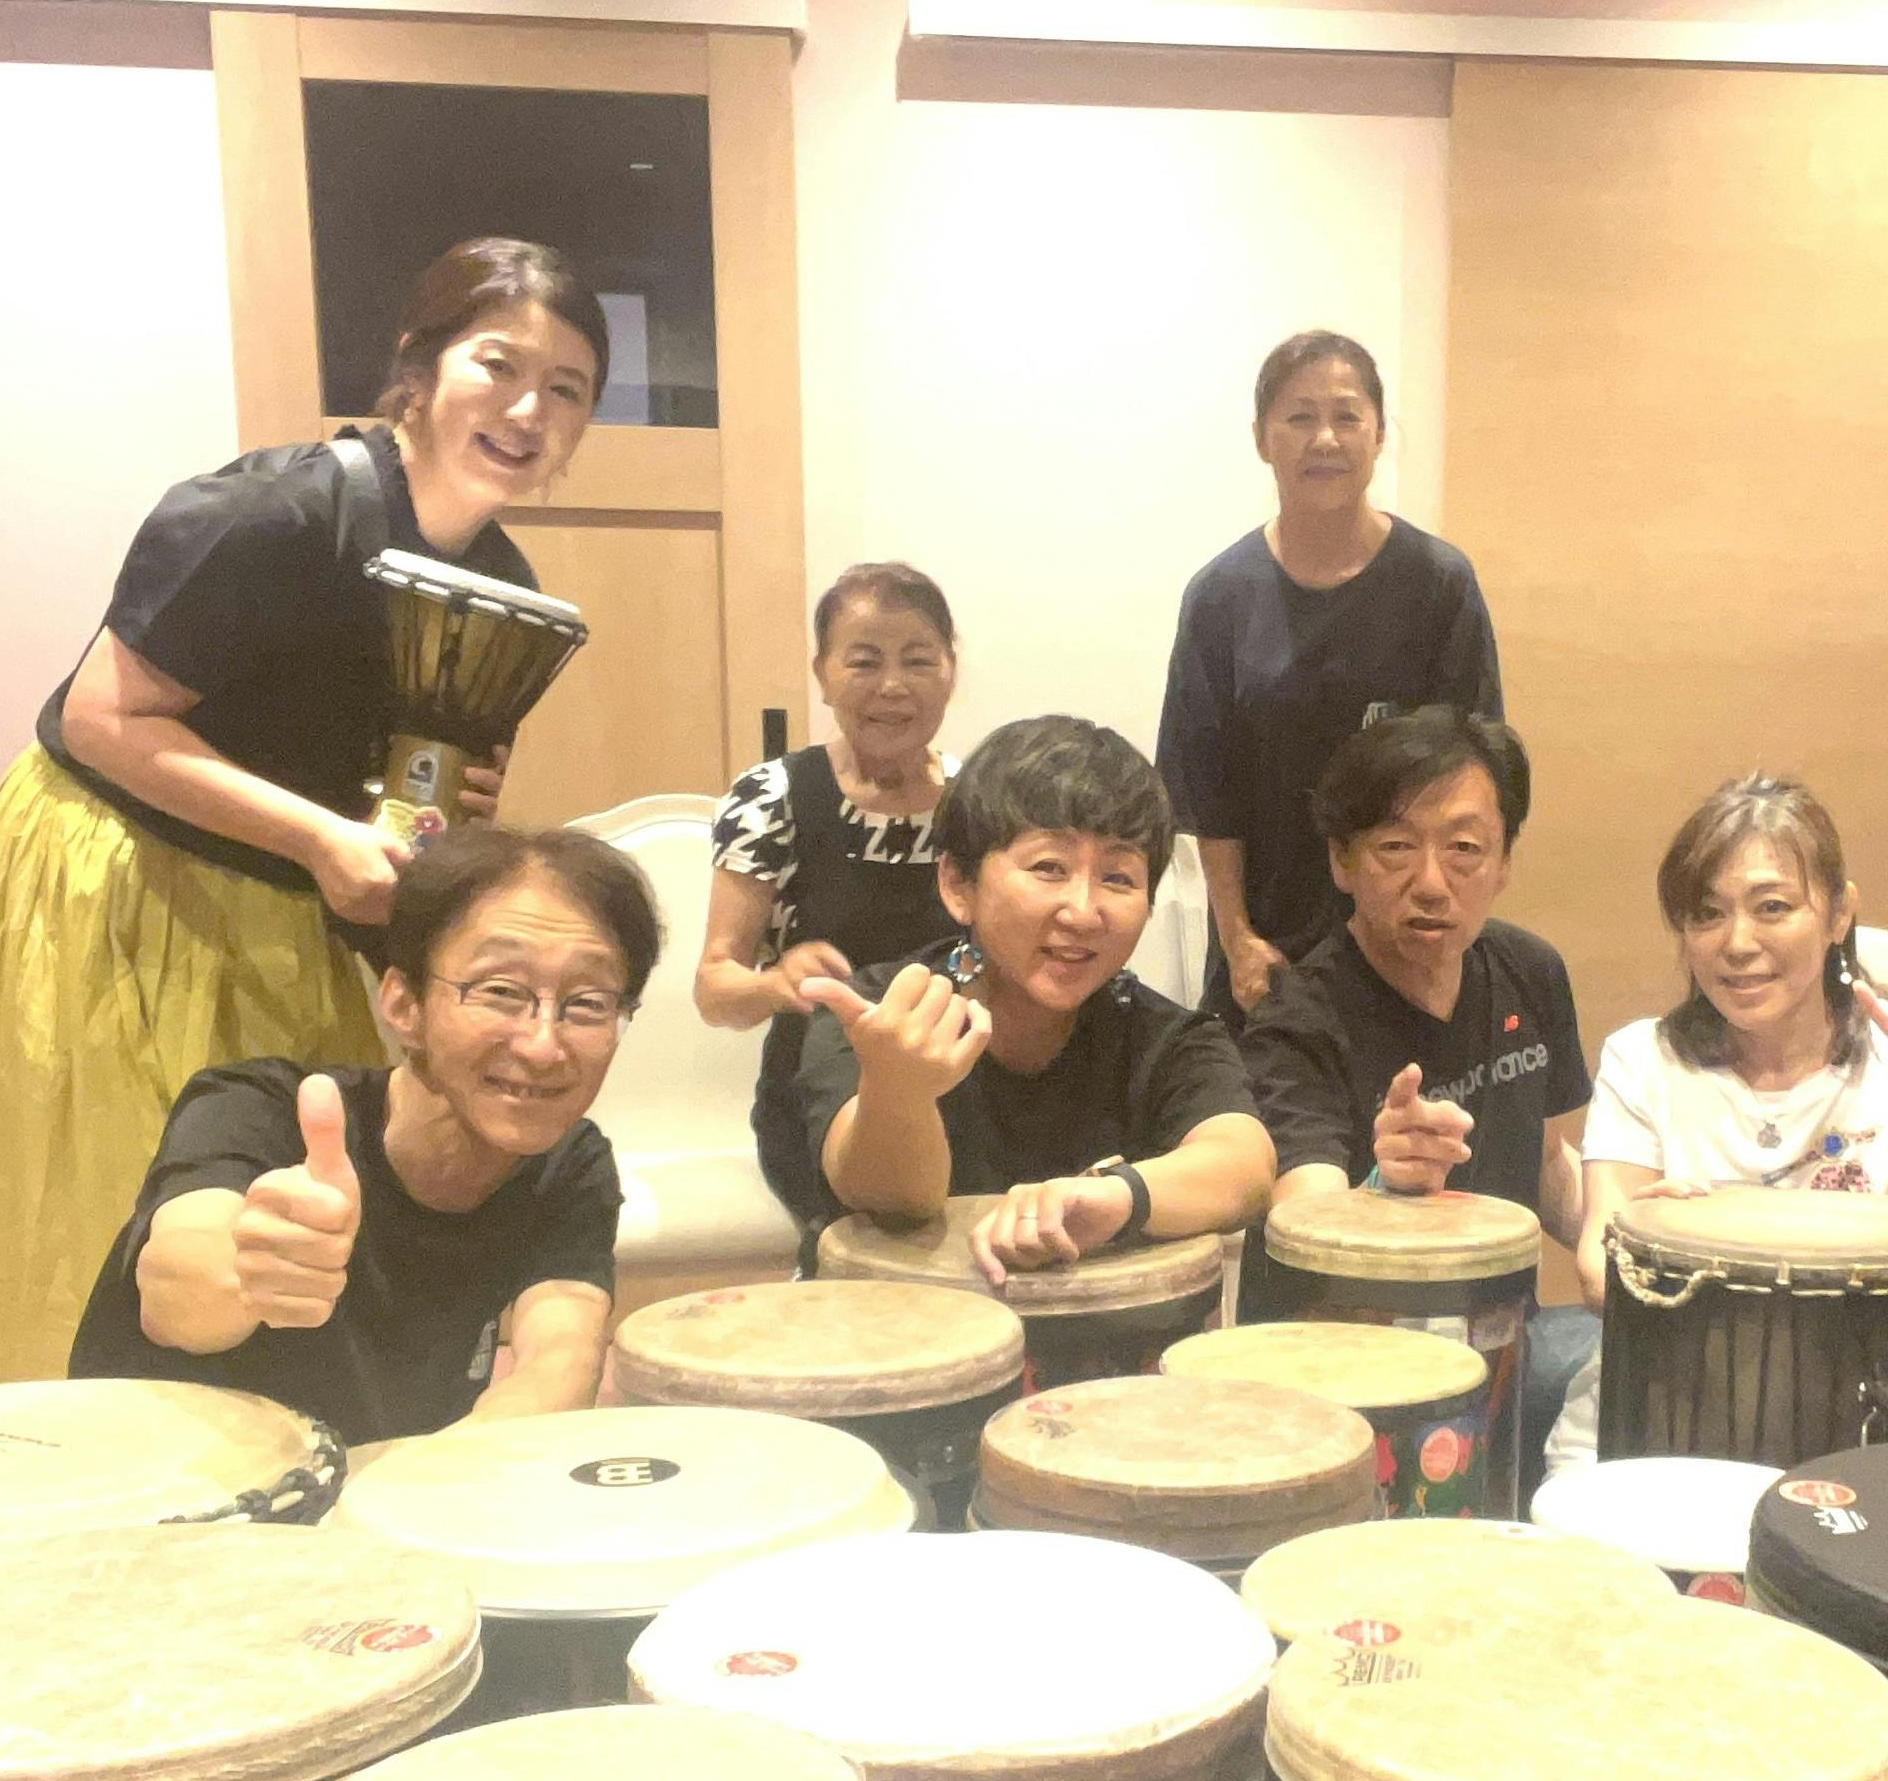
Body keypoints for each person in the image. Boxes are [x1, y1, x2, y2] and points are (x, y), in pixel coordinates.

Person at [0, 236, 606, 1389]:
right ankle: (79, 1465)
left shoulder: (505, 587)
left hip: (293, 899)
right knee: (119, 1200)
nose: (528, 410)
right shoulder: (273, 512)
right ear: (419, 367)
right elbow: (102, 717)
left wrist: (442, 814)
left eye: (568, 390)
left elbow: (407, 770)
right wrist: (320, 834)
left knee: (291, 1202)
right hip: (126, 876)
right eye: (498, 366)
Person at [68, 826, 657, 1447]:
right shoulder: (258, 1107)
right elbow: (177, 1283)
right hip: (162, 1479)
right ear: (403, 1005)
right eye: (501, 992)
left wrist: (423, 1482)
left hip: (374, 1486)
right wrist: (250, 1275)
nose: (543, 1045)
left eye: (587, 1003)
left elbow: (560, 1364)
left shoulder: (567, 1163)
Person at [1549, 777, 1888, 1468]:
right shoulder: (1643, 1058)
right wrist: (1652, 1236)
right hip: (1655, 1416)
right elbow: (1599, 1276)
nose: (1737, 942)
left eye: (1773, 907)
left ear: (1839, 914)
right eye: (1706, 914)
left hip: (1860, 1433)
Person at [798, 716, 1275, 1285]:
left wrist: (1119, 1196)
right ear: (958, 885)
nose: (1083, 912)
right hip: (894, 1323)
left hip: (1101, 1338)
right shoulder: (881, 1014)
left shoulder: (1163, 1035)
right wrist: (898, 1089)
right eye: (1049, 868)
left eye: (1118, 878)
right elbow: (891, 1196)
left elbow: (1246, 1166)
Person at [1240, 704, 1593, 1459]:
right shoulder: (1297, 1019)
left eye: (1464, 849)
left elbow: (1545, 1160)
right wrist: (1381, 1185)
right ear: (1341, 862)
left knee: (1628, 1361)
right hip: (1346, 1377)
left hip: (1499, 1340)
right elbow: (1302, 1213)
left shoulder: (1530, 972)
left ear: (1503, 863)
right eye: (1395, 847)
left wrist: (1636, 1241)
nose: (1431, 883)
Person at [1156, 330, 1501, 1021]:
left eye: (1347, 416)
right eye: (1299, 417)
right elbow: (1208, 796)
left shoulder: (1438, 584)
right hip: (1266, 950)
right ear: (1262, 438)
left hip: (1407, 938)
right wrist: (1237, 937)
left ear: (1378, 434)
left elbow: (1477, 775)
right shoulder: (1221, 596)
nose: (1325, 439)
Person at [696, 563, 960, 1244]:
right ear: (822, 674)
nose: (892, 686)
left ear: (950, 669)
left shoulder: (979, 799)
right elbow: (715, 989)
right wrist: (775, 985)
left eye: (917, 660)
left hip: (960, 1090)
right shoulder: (773, 798)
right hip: (818, 1097)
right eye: (864, 662)